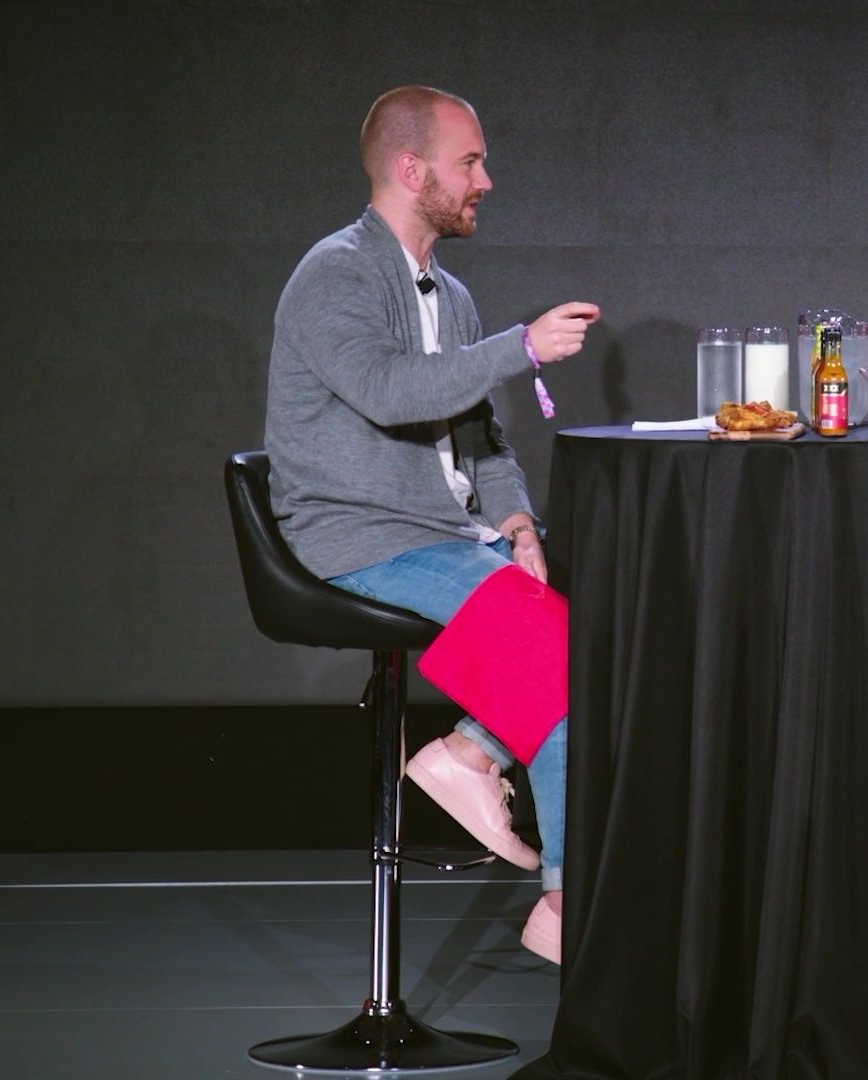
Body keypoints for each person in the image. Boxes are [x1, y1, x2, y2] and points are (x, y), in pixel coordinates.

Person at [264, 84, 600, 963]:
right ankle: (567, 907)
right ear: (414, 172)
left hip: (447, 533)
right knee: (553, 652)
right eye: (470, 162)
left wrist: (519, 524)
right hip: (363, 535)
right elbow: (386, 391)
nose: (485, 179)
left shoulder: (449, 294)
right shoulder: (334, 274)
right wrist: (520, 347)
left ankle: (474, 750)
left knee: (605, 608)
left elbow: (480, 436)